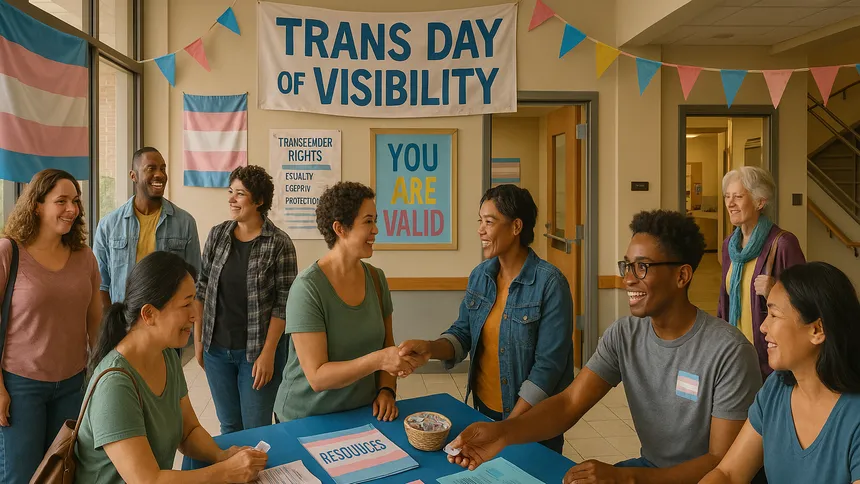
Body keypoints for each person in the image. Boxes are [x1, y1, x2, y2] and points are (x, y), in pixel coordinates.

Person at [445, 210, 762, 484]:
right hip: (649, 471)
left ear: (682, 275)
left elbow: (721, 462)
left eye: (642, 267)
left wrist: (625, 477)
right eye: (627, 265)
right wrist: (504, 433)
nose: (628, 279)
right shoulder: (624, 334)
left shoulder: (729, 352)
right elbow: (569, 403)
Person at [397, 184, 573, 453]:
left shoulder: (550, 284)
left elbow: (547, 369)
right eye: (480, 221)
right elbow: (463, 333)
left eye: (489, 222)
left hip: (530, 424)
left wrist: (507, 429)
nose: (480, 229)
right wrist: (430, 348)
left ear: (516, 227)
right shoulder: (481, 276)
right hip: (483, 412)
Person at [75, 251, 268, 483]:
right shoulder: (115, 385)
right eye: (186, 304)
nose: (196, 315)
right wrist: (227, 472)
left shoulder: (166, 355)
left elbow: (189, 431)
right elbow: (148, 480)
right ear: (149, 314)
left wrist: (222, 455)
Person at [702, 262, 860, 484]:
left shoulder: (854, 416)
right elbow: (728, 474)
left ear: (817, 330)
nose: (763, 327)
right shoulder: (776, 388)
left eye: (774, 315)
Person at [273, 182, 412, 423]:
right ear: (340, 228)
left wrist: (386, 390)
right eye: (368, 221)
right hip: (306, 418)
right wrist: (379, 360)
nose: (376, 229)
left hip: (360, 413)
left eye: (375, 220)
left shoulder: (377, 280)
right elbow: (317, 377)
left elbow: (387, 345)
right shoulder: (308, 288)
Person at [0, 169, 102, 484]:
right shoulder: (9, 251)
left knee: (61, 474)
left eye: (75, 201)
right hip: (21, 387)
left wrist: (101, 377)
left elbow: (96, 323)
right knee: (21, 476)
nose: (72, 209)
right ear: (37, 205)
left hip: (73, 385)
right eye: (61, 201)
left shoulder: (84, 257)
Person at [195, 166, 297, 434]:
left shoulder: (279, 243)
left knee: (257, 429)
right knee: (229, 426)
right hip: (216, 350)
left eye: (240, 194)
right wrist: (198, 340)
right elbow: (201, 288)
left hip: (256, 354)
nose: (231, 199)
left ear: (259, 201)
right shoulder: (218, 235)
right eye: (231, 191)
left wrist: (268, 354)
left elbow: (284, 304)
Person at [718, 166, 805, 380]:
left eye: (738, 196)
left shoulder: (783, 243)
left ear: (760, 201)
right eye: (727, 196)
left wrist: (774, 289)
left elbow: (806, 299)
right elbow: (724, 302)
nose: (730, 203)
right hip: (735, 355)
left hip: (770, 359)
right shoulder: (730, 245)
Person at [94, 147, 202, 308]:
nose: (159, 174)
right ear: (133, 176)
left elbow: (195, 280)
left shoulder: (185, 223)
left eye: (163, 168)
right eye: (151, 168)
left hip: (169, 321)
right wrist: (110, 326)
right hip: (125, 324)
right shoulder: (108, 225)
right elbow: (100, 285)